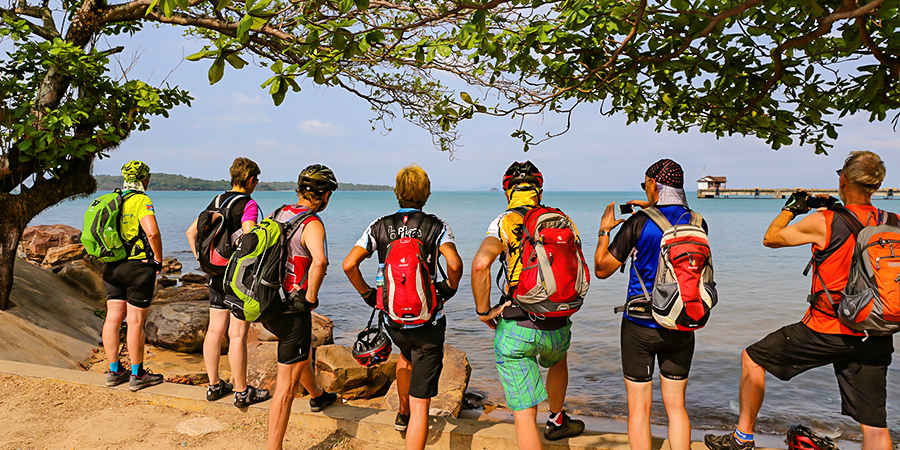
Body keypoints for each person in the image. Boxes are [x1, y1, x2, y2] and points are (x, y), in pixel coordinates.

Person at [705, 151, 895, 450]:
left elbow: (771, 238)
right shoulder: (893, 221)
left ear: (843, 179)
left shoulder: (824, 221)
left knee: (753, 358)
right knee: (874, 426)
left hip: (827, 328)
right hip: (876, 329)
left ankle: (742, 439)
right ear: (876, 184)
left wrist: (792, 209)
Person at [343, 164, 463, 450]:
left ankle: (401, 411)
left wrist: (368, 296)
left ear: (398, 193)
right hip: (428, 323)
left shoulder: (379, 226)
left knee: (404, 357)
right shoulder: (436, 226)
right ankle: (412, 414)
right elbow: (455, 264)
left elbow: (349, 264)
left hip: (394, 320)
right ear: (426, 192)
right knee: (423, 406)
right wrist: (448, 288)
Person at [470, 161, 585, 449]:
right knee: (558, 359)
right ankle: (557, 421)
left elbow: (481, 265)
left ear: (508, 191)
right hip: (558, 323)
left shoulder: (503, 222)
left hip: (518, 325)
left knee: (524, 413)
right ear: (540, 190)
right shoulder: (563, 220)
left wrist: (485, 312)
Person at [594, 159, 704, 450]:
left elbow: (602, 269)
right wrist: (653, 206)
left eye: (646, 184)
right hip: (682, 321)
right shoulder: (697, 221)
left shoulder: (639, 222)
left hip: (640, 325)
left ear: (654, 185)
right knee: (677, 407)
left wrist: (604, 231)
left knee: (639, 410)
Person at [262, 164, 338, 450]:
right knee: (284, 390)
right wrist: (311, 298)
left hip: (267, 304)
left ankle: (317, 395)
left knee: (300, 352)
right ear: (325, 195)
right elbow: (320, 261)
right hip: (293, 309)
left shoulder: (278, 212)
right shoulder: (312, 223)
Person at [185, 157, 265, 406]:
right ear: (251, 180)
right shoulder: (248, 204)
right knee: (237, 334)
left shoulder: (217, 200)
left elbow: (191, 232)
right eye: (256, 180)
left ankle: (214, 385)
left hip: (214, 275)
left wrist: (204, 263)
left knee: (214, 330)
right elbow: (249, 239)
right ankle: (242, 392)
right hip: (236, 279)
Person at [101, 160, 165, 392]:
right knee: (135, 321)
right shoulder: (141, 200)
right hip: (137, 267)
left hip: (112, 267)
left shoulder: (112, 199)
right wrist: (158, 258)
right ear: (144, 179)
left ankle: (114, 370)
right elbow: (151, 231)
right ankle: (137, 375)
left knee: (113, 318)